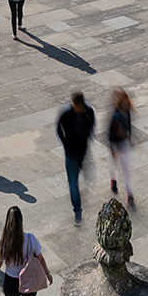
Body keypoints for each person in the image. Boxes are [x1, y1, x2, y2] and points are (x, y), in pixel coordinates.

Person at [56, 90, 96, 224]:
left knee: (80, 173)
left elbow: (91, 125)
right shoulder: (66, 114)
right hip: (71, 152)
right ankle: (77, 210)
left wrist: (88, 136)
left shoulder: (89, 111)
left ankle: (84, 170)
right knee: (73, 182)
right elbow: (58, 128)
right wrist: (65, 143)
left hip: (82, 150)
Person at [106, 87, 137, 206]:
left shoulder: (127, 109)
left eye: (126, 102)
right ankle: (113, 179)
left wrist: (129, 134)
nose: (125, 105)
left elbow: (129, 122)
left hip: (124, 142)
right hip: (115, 142)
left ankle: (130, 194)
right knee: (114, 163)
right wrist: (112, 148)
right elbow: (110, 133)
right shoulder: (116, 116)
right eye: (123, 103)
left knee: (126, 169)